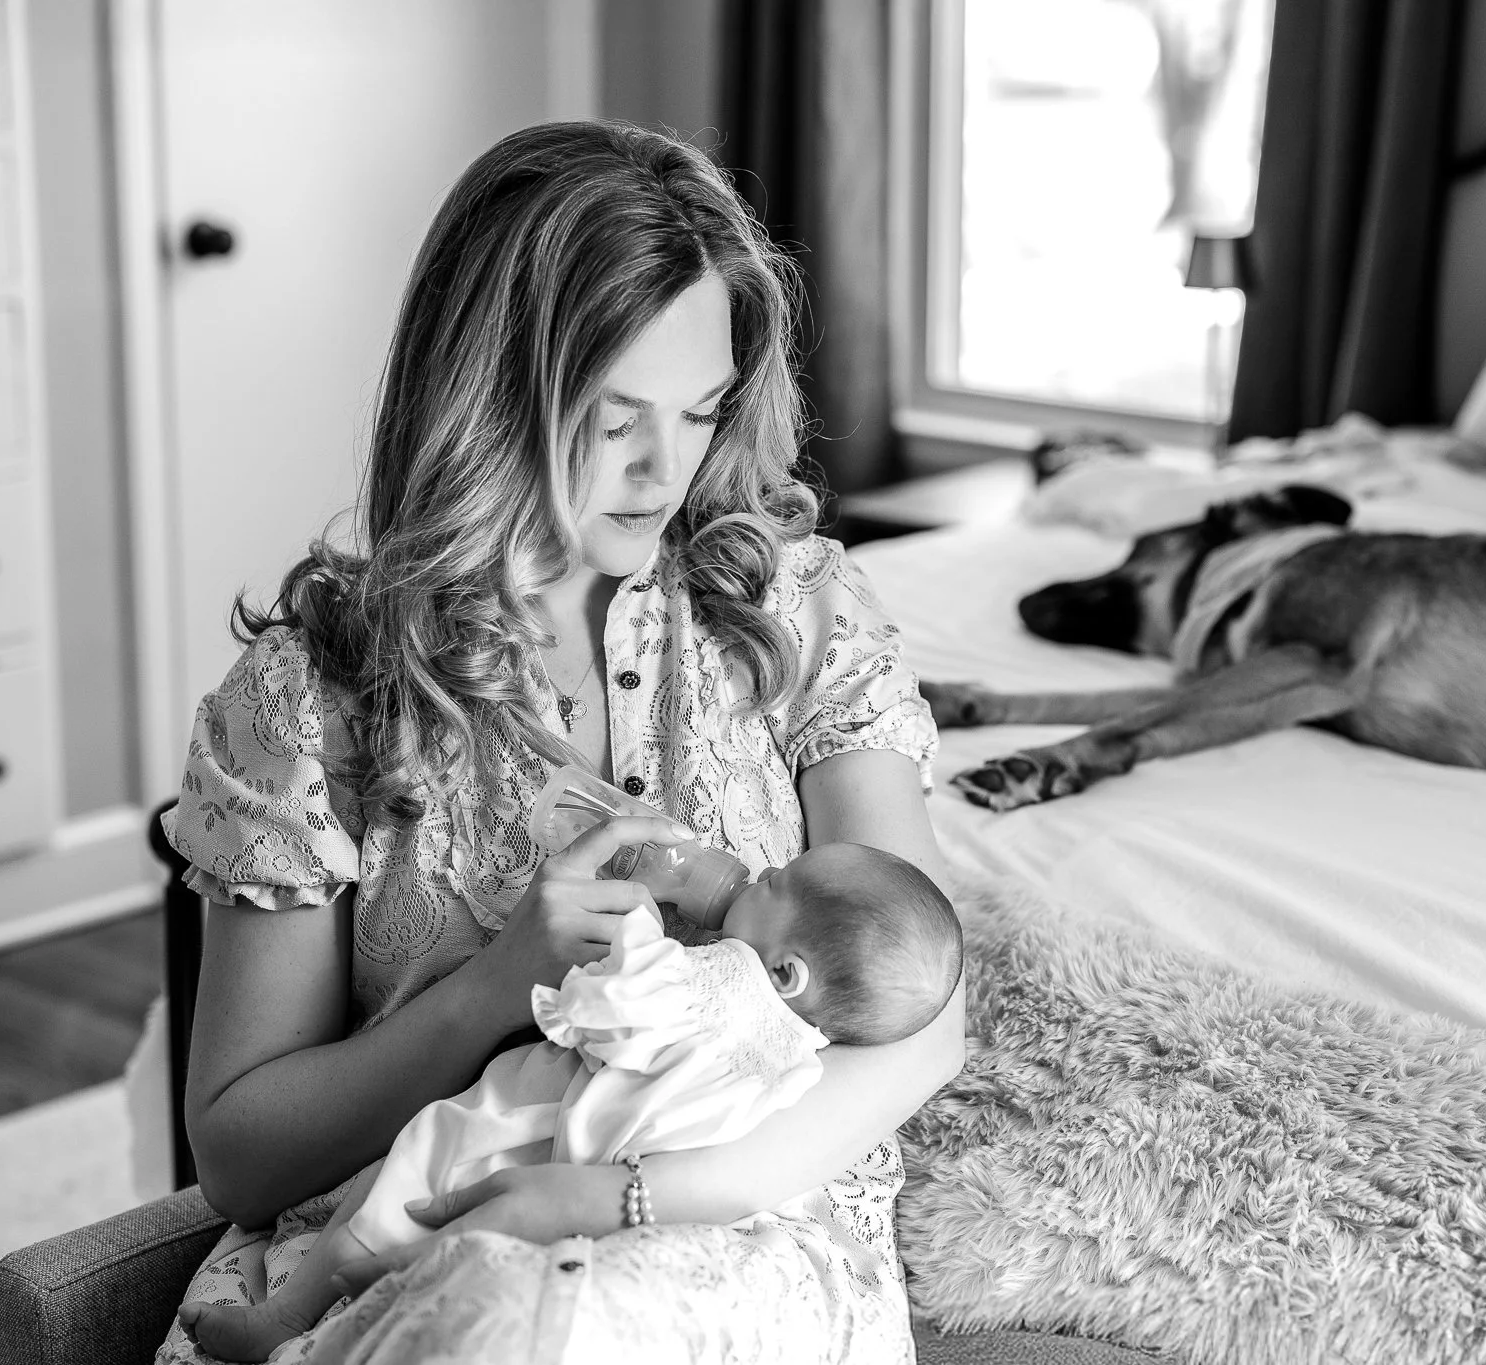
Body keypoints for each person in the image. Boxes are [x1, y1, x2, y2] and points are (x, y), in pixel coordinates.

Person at [156, 119, 961, 1365]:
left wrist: (614, 1200)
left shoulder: (796, 615)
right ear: (488, 399)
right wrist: (494, 985)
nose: (664, 469)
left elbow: (923, 1018)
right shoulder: (315, 691)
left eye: (699, 411)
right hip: (397, 1251)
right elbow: (239, 1154)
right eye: (611, 417)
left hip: (744, 1245)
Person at [179, 842, 964, 1362]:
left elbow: (622, 1000)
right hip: (672, 1214)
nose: (758, 871)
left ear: (787, 973)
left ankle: (294, 1321)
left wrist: (640, 916)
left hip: (551, 1142)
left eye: (777, 883)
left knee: (410, 1178)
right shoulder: (796, 1051)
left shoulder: (728, 981)